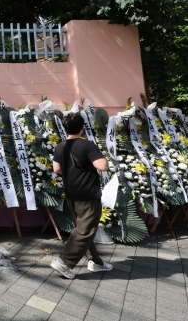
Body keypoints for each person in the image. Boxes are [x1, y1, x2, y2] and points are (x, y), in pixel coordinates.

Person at [50, 112, 113, 279]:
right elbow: (103, 166)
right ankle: (64, 261)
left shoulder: (60, 146)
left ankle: (95, 262)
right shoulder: (87, 145)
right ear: (83, 127)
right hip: (87, 194)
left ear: (65, 128)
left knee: (84, 228)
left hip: (71, 193)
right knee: (85, 229)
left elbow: (56, 169)